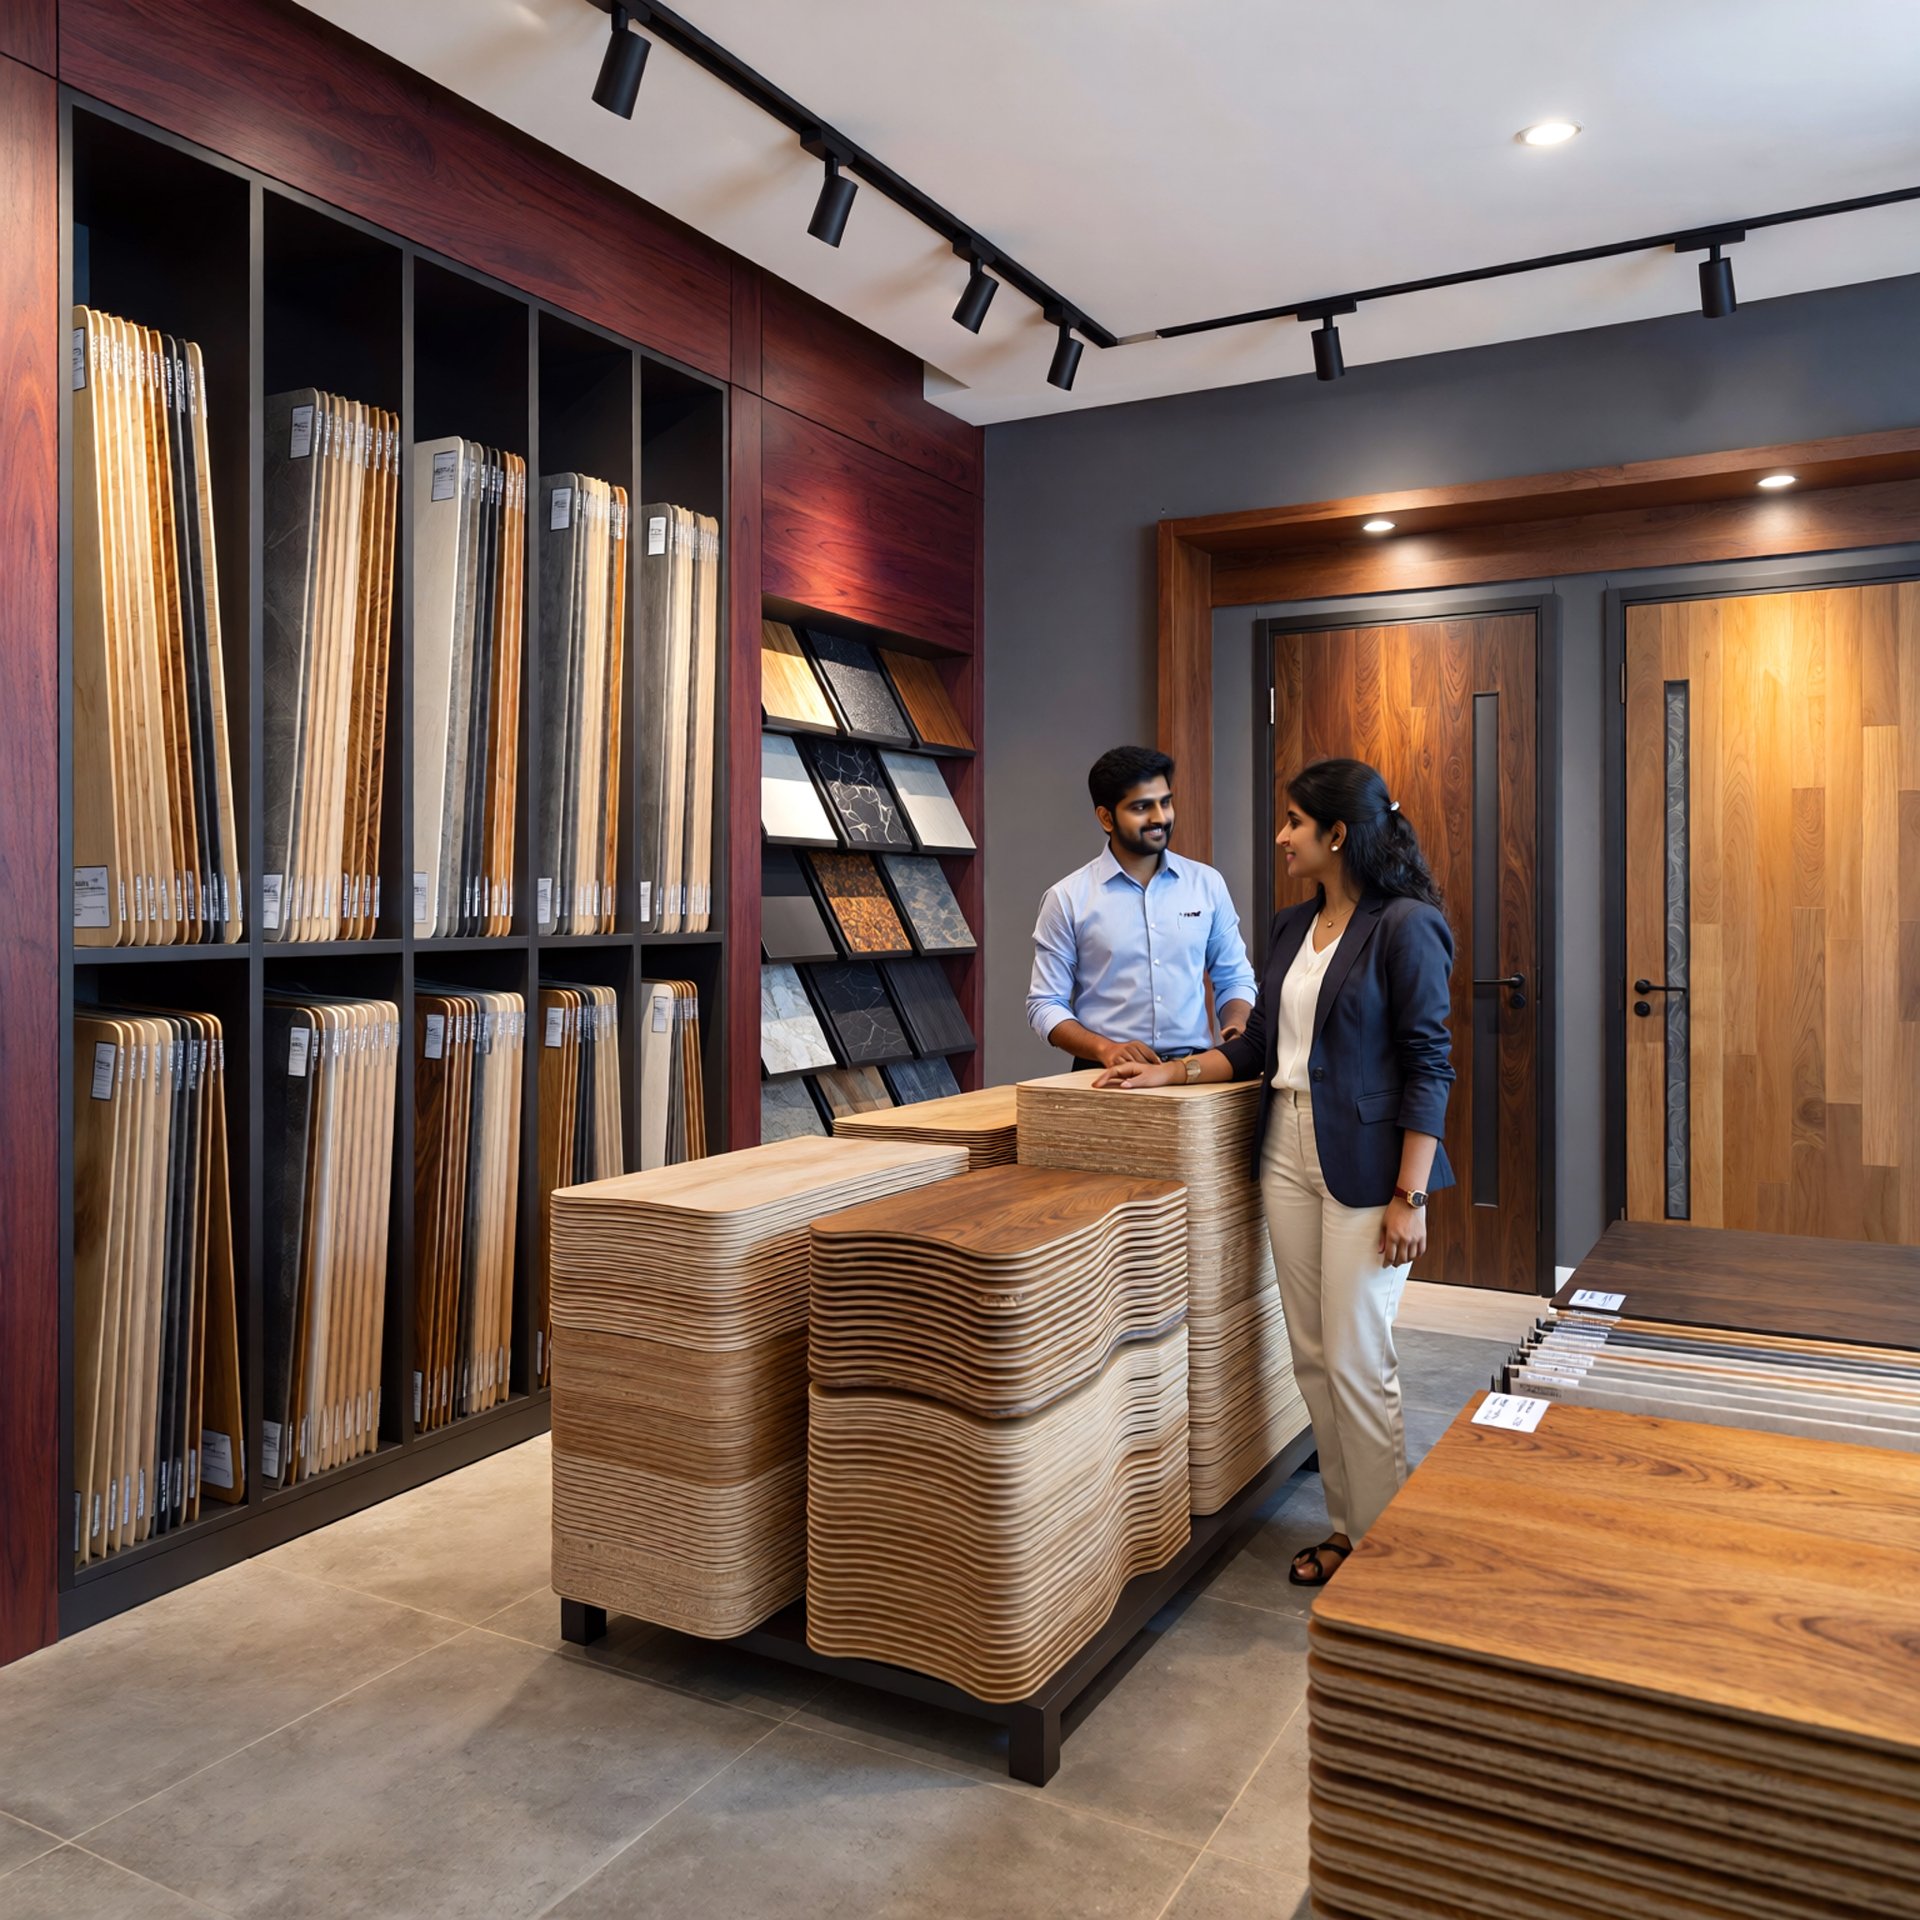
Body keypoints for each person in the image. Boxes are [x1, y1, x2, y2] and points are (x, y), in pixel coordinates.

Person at [1093, 757, 1454, 1585]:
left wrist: (1411, 1195)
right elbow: (1257, 1049)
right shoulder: (1292, 927)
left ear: (1337, 833)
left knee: (1360, 1355)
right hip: (1283, 1150)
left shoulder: (1405, 925)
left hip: (1370, 1165)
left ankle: (1386, 1553)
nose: (1282, 836)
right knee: (1314, 1354)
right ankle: (1347, 1526)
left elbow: (1429, 1065)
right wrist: (1171, 1073)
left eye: (1295, 822)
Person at [1027, 745, 1258, 1072]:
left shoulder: (1207, 884)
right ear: (1106, 818)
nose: (1160, 817)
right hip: (1103, 1074)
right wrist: (1105, 1049)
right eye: (1141, 807)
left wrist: (1236, 1025)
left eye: (1165, 802)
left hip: (1192, 1072)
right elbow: (1044, 1004)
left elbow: (1234, 976)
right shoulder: (1066, 898)